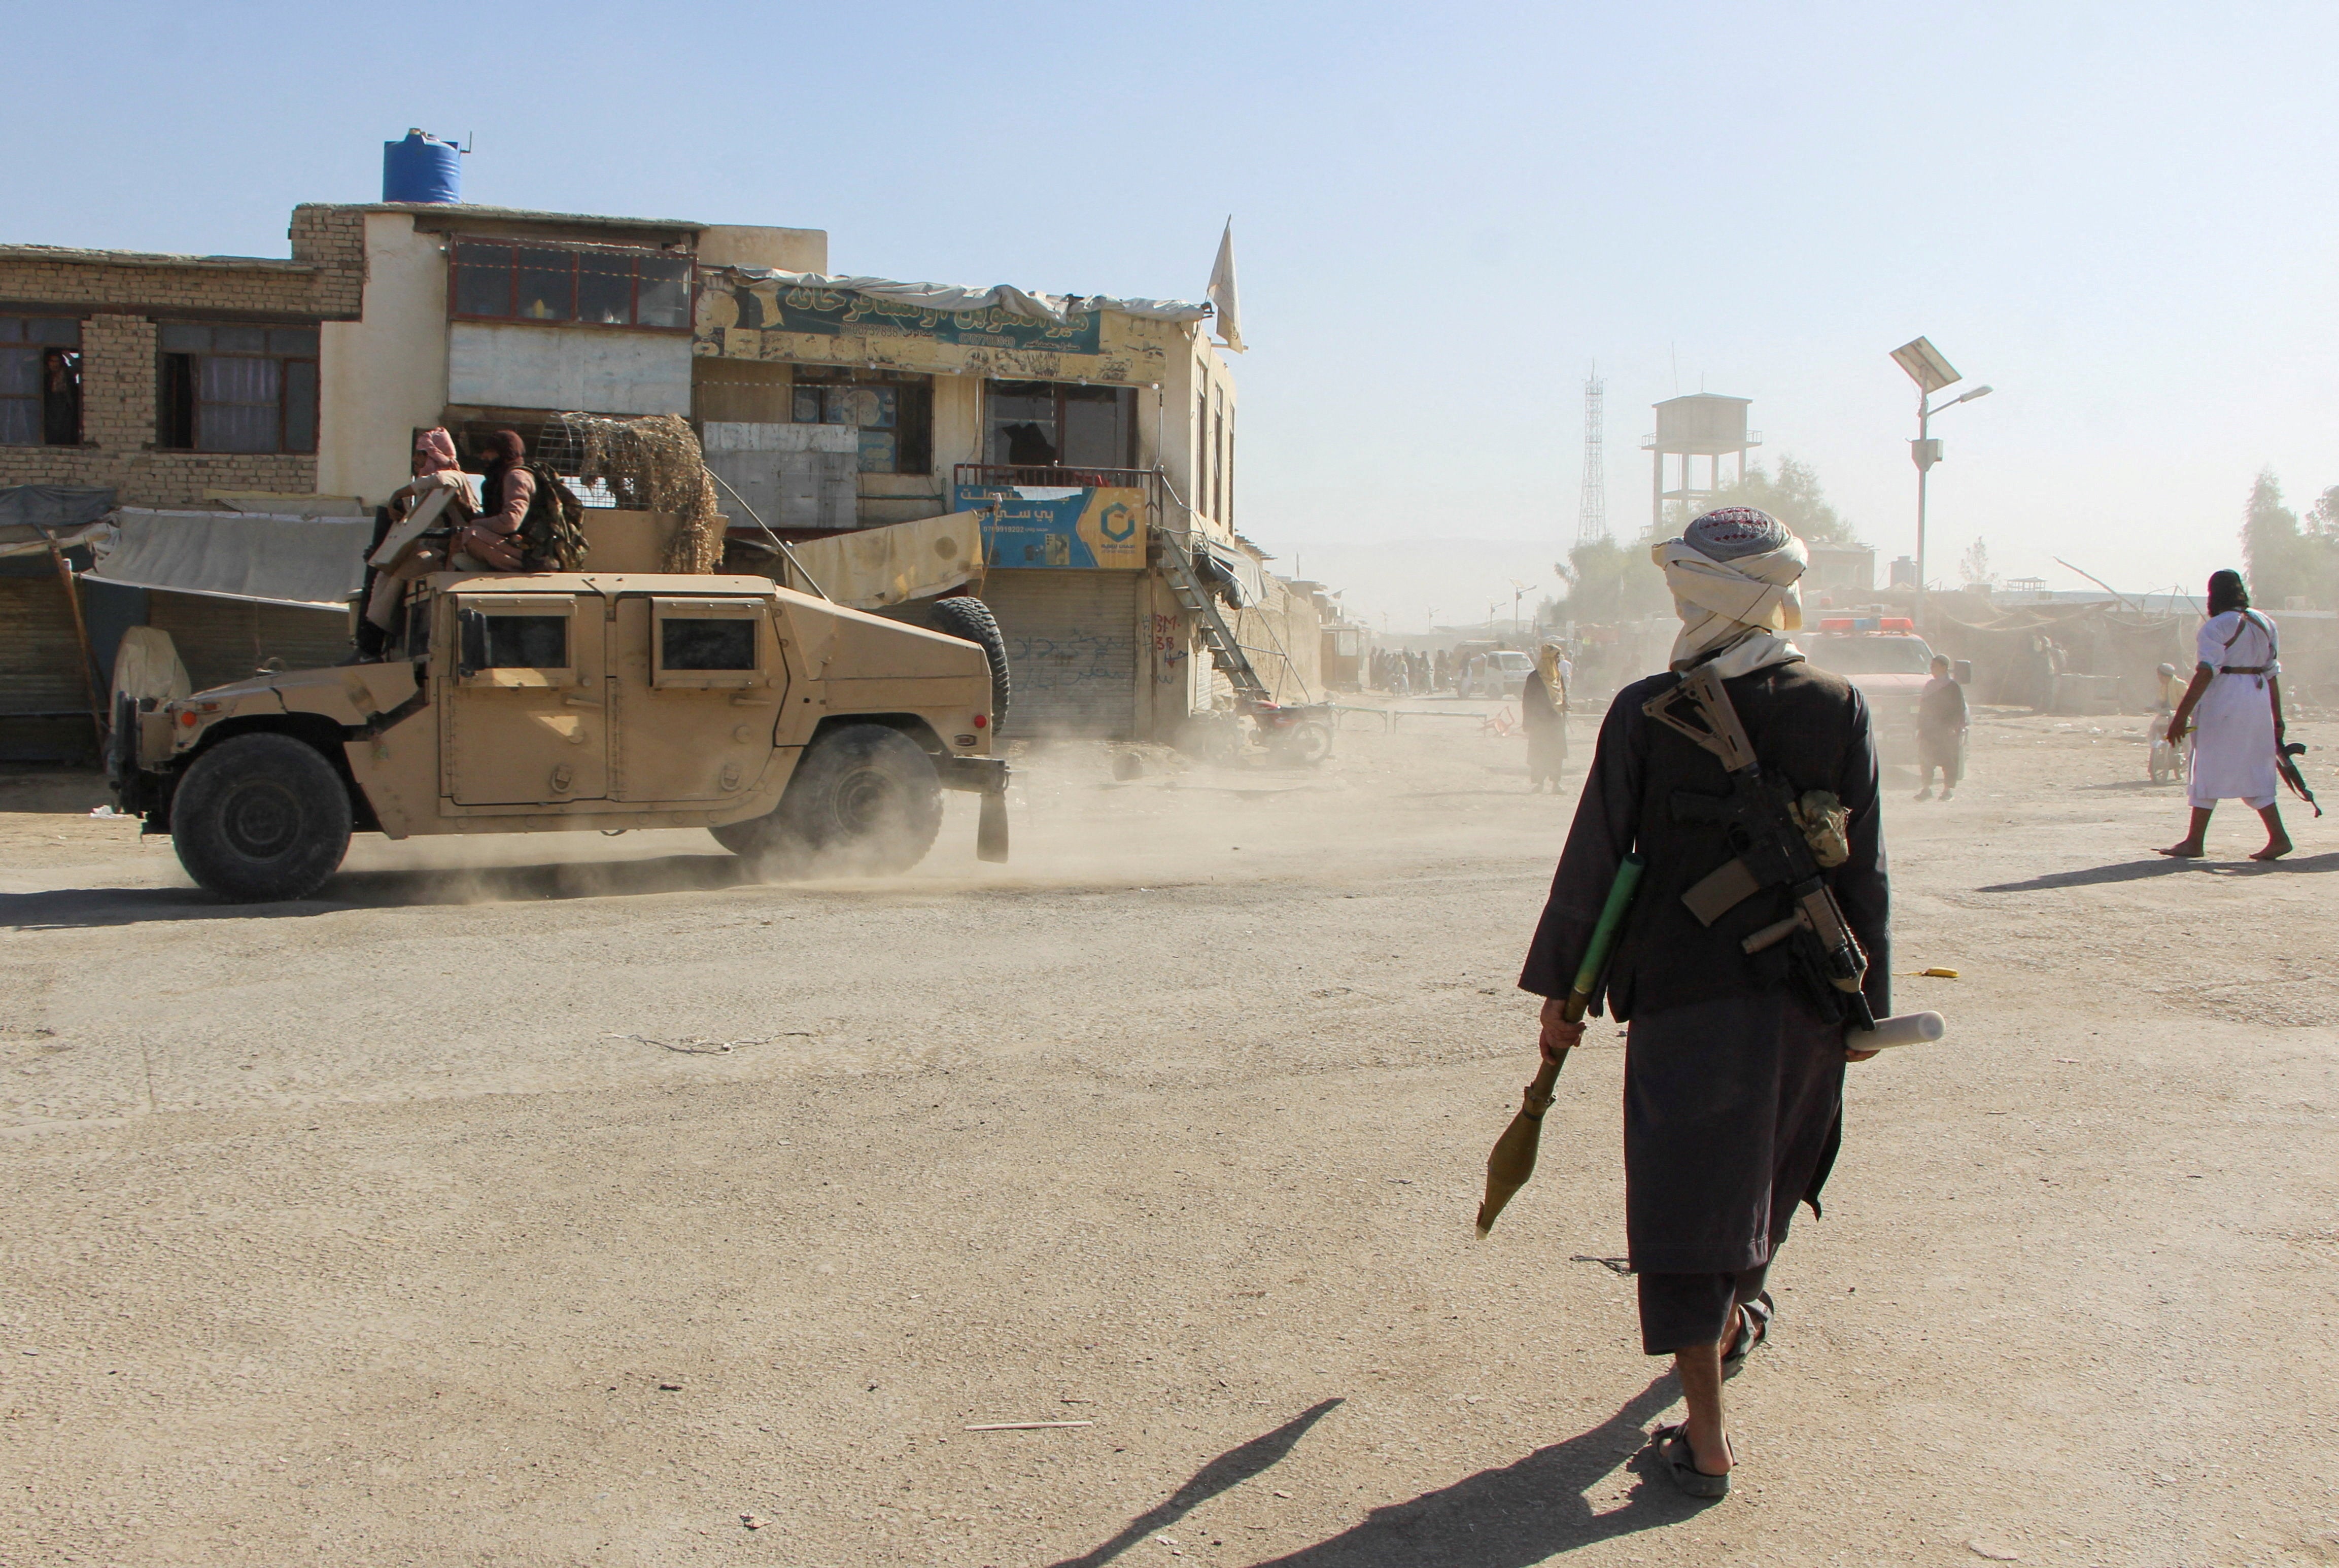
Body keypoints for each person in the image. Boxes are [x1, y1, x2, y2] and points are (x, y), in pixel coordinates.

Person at [1517, 505, 1888, 1499]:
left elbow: (1597, 858)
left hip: (1687, 1003)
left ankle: (1709, 1441)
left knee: (1688, 1214)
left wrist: (1565, 995)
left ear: (1704, 595)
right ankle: (1731, 1323)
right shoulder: (1835, 704)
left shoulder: (1648, 710)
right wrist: (1865, 1012)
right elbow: (1865, 876)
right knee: (1763, 1185)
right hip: (1806, 1003)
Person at [2160, 569, 2290, 861]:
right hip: (2257, 702)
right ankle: (2278, 838)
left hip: (2225, 700)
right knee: (2255, 767)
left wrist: (2181, 715)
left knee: (2206, 763)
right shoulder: (2266, 623)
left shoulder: (2215, 627)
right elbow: (2272, 674)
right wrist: (2277, 717)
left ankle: (2194, 842)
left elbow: (2206, 671)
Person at [351, 428, 481, 661]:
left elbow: (440, 479)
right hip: (433, 549)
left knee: (406, 571)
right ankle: (370, 645)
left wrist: (398, 494)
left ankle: (373, 647)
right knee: (383, 575)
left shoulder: (454, 477)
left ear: (434, 454)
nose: (416, 459)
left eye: (421, 453)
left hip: (450, 553)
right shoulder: (426, 491)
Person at [1914, 654, 1967, 800]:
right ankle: (1926, 789)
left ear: (1944, 667)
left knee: (1948, 760)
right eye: (1931, 666)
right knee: (1926, 759)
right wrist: (1920, 728)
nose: (1932, 669)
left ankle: (1948, 790)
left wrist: (1953, 727)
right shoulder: (1930, 686)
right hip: (1929, 729)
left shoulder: (1953, 686)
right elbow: (1923, 708)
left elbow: (1958, 709)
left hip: (1946, 730)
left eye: (1935, 666)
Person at [1520, 640, 1569, 791]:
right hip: (1539, 722)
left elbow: (1563, 695)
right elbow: (1528, 700)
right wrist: (1528, 721)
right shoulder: (1535, 678)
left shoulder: (1557, 677)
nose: (1558, 661)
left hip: (1555, 721)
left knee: (1556, 753)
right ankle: (1539, 783)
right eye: (1556, 658)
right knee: (1539, 752)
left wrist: (1565, 705)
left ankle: (1556, 783)